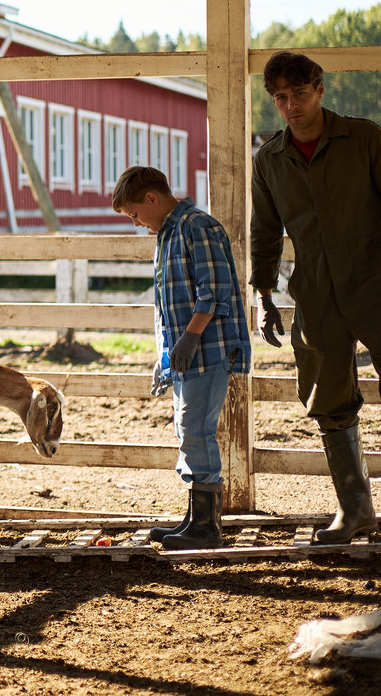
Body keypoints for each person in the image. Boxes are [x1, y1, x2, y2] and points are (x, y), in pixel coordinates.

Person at [251, 50, 381, 542]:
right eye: (281, 97)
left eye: (300, 93)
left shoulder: (363, 137)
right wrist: (262, 293)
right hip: (316, 291)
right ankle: (355, 508)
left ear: (320, 90)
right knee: (327, 395)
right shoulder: (269, 159)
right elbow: (265, 230)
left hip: (380, 280)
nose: (291, 105)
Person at [112, 165, 251, 549]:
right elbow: (169, 303)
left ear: (152, 199)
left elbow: (214, 291)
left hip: (207, 350)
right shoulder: (168, 235)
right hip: (187, 354)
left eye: (135, 214)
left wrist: (190, 338)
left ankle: (207, 527)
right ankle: (196, 517)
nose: (137, 223)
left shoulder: (196, 227)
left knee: (196, 430)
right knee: (187, 430)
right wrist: (168, 354)